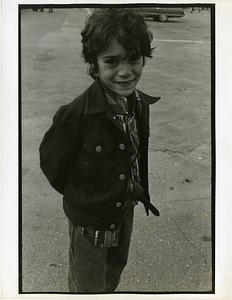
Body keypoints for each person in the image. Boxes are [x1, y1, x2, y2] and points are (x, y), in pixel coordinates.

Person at [39, 8, 160, 293]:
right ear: (94, 64)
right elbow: (53, 164)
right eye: (112, 61)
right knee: (87, 287)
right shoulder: (77, 114)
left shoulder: (139, 104)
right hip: (90, 222)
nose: (125, 71)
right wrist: (84, 199)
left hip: (124, 210)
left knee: (112, 276)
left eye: (134, 59)